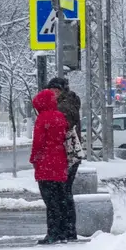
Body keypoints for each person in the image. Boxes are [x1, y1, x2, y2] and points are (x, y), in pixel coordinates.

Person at [29, 88, 70, 245]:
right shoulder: (60, 117)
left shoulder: (42, 119)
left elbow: (38, 143)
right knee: (60, 199)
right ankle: (62, 232)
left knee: (50, 202)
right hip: (60, 161)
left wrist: (34, 159)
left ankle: (52, 233)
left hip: (46, 164)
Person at [46, 77, 84, 241]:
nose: (52, 93)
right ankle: (66, 231)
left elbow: (62, 125)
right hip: (67, 154)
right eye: (50, 90)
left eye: (55, 90)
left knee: (61, 194)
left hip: (67, 155)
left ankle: (64, 231)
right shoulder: (66, 103)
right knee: (62, 194)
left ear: (62, 91)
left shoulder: (66, 105)